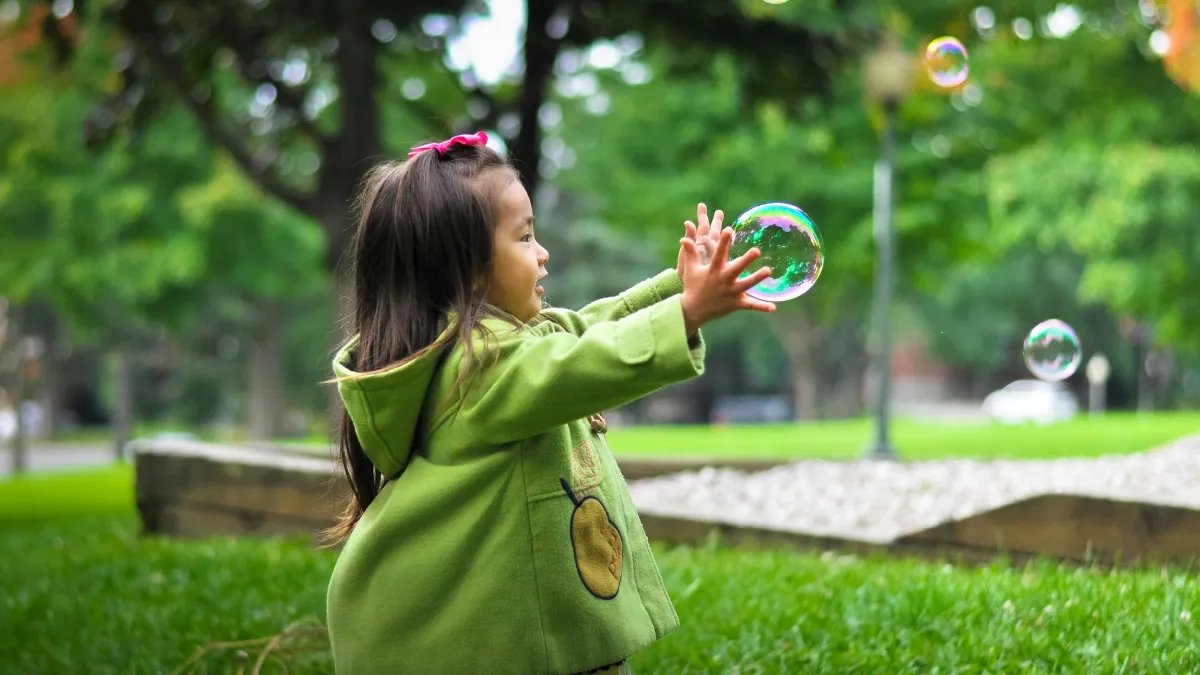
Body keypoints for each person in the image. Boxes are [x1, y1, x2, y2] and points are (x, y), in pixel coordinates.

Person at [324, 131, 775, 675]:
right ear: (466, 269)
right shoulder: (479, 369)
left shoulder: (503, 344)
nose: (542, 254)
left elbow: (585, 329)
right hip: (508, 651)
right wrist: (686, 315)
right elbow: (581, 364)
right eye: (523, 237)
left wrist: (678, 290)